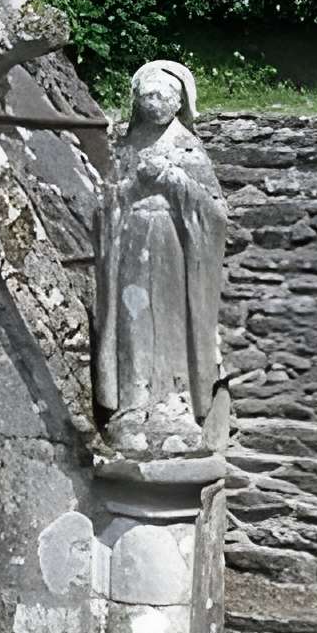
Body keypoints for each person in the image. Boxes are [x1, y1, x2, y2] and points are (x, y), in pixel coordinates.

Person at [93, 60, 226, 455]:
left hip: (173, 248)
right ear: (136, 101)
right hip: (131, 247)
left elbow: (216, 214)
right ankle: (134, 405)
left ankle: (175, 402)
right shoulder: (126, 147)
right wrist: (130, 189)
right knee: (133, 324)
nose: (155, 103)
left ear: (179, 100)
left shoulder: (188, 148)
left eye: (164, 96)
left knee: (172, 322)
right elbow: (104, 202)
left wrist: (172, 179)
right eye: (147, 96)